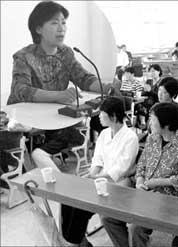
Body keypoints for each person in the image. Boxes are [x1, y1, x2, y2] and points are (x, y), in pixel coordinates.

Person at [7, 1, 118, 171]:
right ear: (38, 29)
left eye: (63, 22)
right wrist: (58, 96)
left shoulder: (66, 53)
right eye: (54, 22)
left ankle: (44, 160)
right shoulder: (23, 56)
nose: (61, 28)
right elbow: (20, 90)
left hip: (54, 116)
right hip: (23, 117)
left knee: (78, 128)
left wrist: (107, 87)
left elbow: (83, 78)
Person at [101, 102, 178, 247]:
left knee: (136, 227)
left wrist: (157, 182)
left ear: (166, 124)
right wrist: (139, 180)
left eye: (152, 119)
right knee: (108, 217)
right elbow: (142, 164)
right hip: (143, 191)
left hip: (167, 197)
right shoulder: (152, 138)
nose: (149, 122)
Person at [61, 97, 139, 246]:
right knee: (68, 200)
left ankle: (75, 243)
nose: (99, 117)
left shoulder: (130, 137)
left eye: (102, 113)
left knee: (80, 206)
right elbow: (98, 159)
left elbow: (121, 169)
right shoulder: (104, 134)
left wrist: (95, 177)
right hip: (101, 179)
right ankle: (76, 241)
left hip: (120, 182)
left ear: (113, 116)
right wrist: (93, 174)